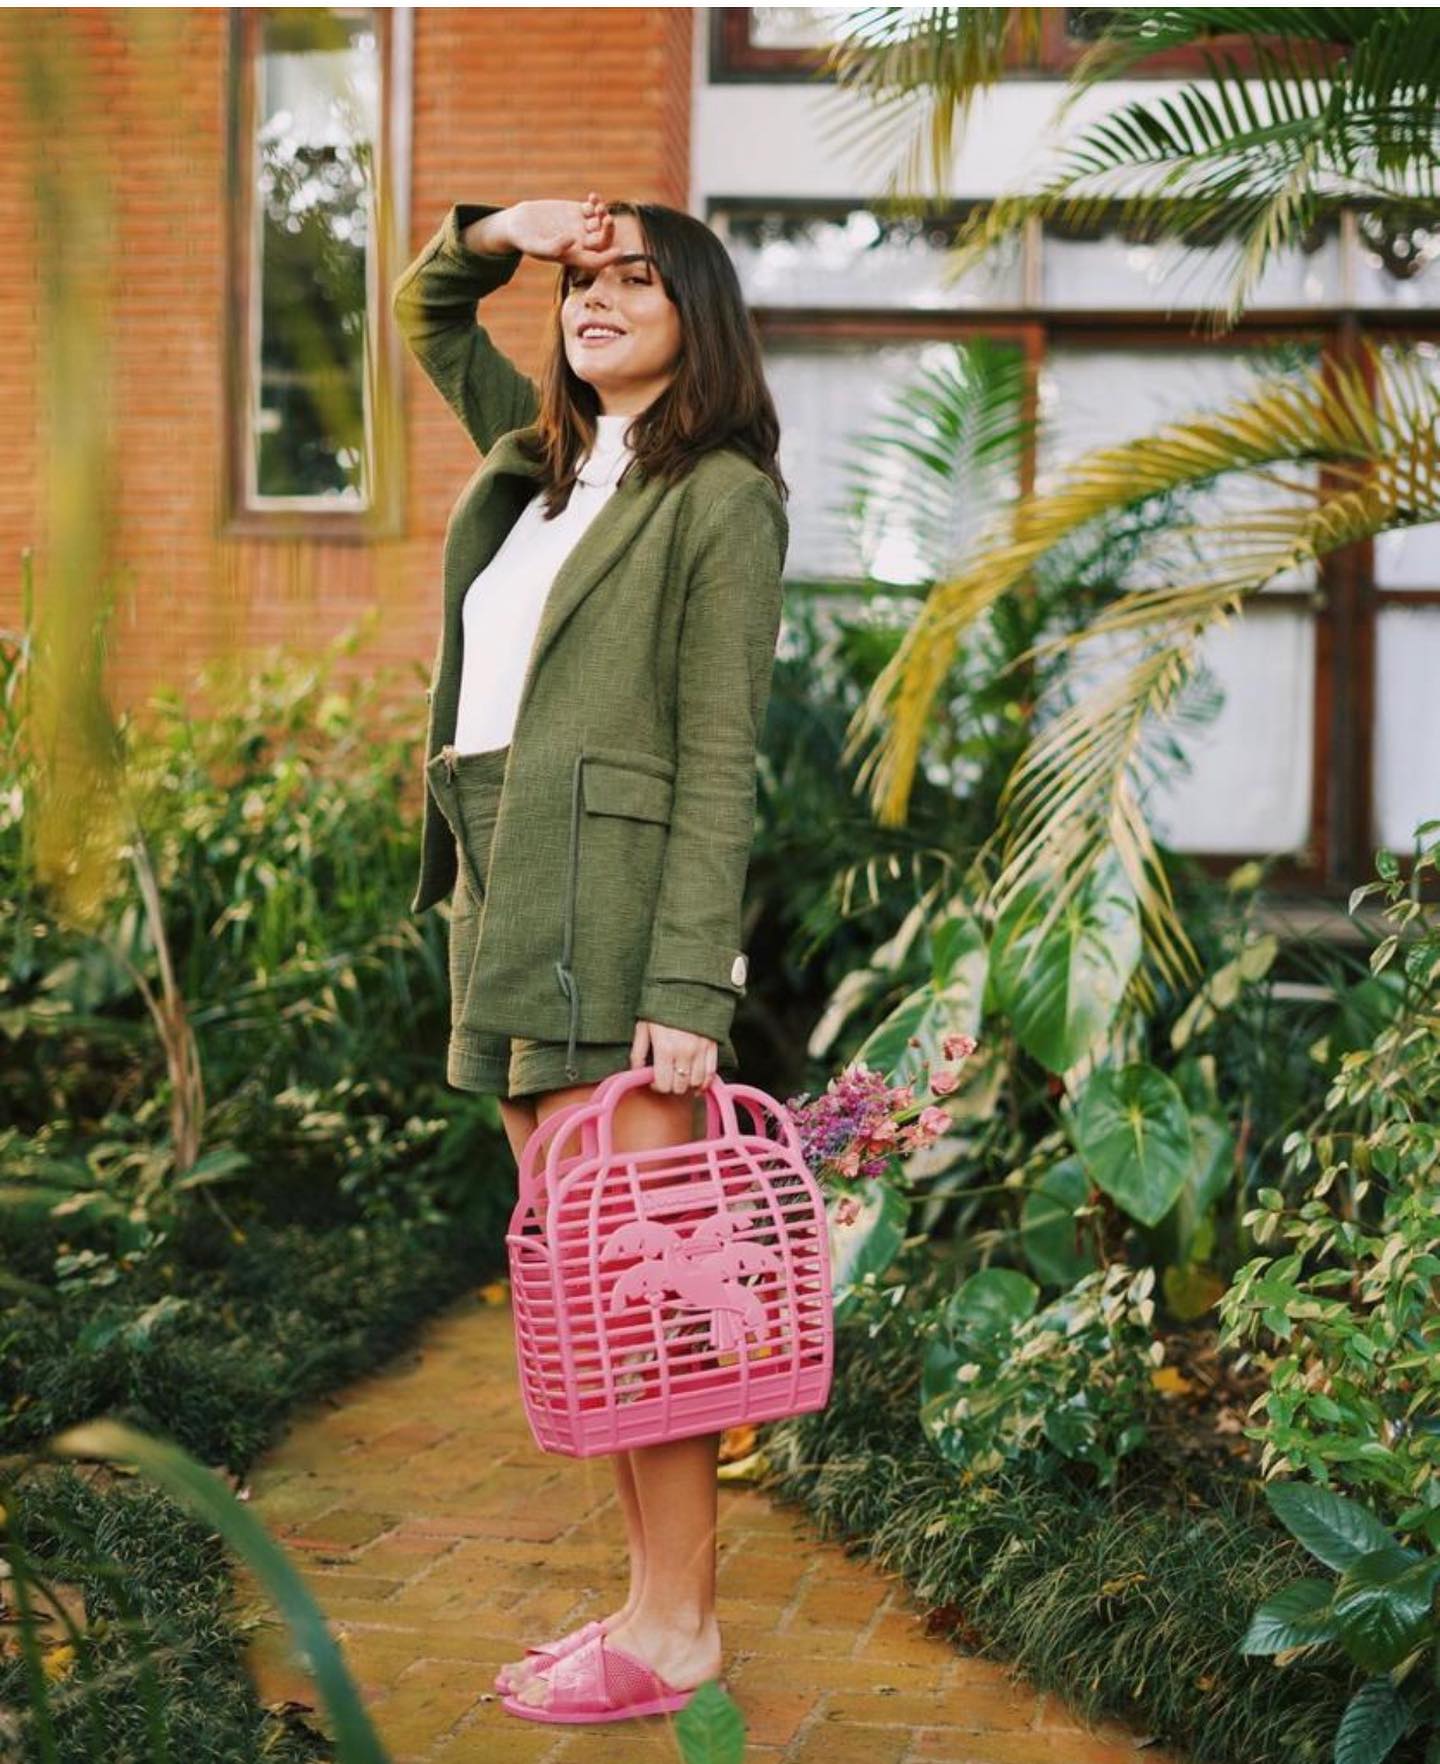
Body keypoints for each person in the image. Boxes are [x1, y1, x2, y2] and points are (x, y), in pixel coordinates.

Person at [391, 192, 789, 1723]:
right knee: (591, 1303)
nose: (596, 295)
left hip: (616, 926)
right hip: (504, 901)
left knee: (649, 1302)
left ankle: (681, 1629)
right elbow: (432, 311)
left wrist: (687, 991)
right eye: (585, 279)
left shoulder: (719, 497)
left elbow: (719, 754)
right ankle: (645, 1605)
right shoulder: (546, 463)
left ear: (701, 316)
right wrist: (508, 224)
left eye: (637, 279)